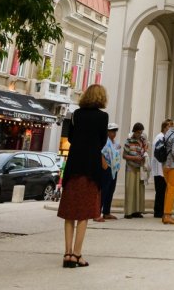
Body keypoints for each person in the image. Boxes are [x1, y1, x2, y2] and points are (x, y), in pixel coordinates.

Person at [58, 83, 109, 268]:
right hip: (90, 169)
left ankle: (67, 253)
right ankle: (78, 254)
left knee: (69, 214)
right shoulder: (103, 117)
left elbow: (70, 138)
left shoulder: (76, 114)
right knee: (84, 215)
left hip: (73, 167)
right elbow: (103, 140)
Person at [122, 122, 148, 218]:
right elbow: (124, 155)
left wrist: (144, 154)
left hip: (139, 167)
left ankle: (137, 211)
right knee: (130, 189)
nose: (139, 134)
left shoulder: (142, 140)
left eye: (141, 132)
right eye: (138, 132)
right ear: (134, 131)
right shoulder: (128, 141)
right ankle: (128, 212)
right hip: (131, 168)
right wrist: (134, 158)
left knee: (139, 189)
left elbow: (144, 150)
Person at [97, 123, 121, 221]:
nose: (114, 133)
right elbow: (100, 152)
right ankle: (97, 212)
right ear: (107, 131)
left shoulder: (114, 142)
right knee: (103, 190)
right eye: (112, 131)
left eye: (115, 131)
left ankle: (106, 212)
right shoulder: (104, 141)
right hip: (106, 168)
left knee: (110, 190)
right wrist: (104, 164)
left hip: (113, 169)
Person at [150, 118, 171, 218]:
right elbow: (160, 153)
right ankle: (158, 212)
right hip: (159, 169)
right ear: (165, 127)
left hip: (161, 168)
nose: (170, 129)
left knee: (162, 191)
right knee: (160, 191)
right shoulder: (160, 137)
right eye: (169, 127)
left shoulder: (163, 137)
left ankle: (161, 210)